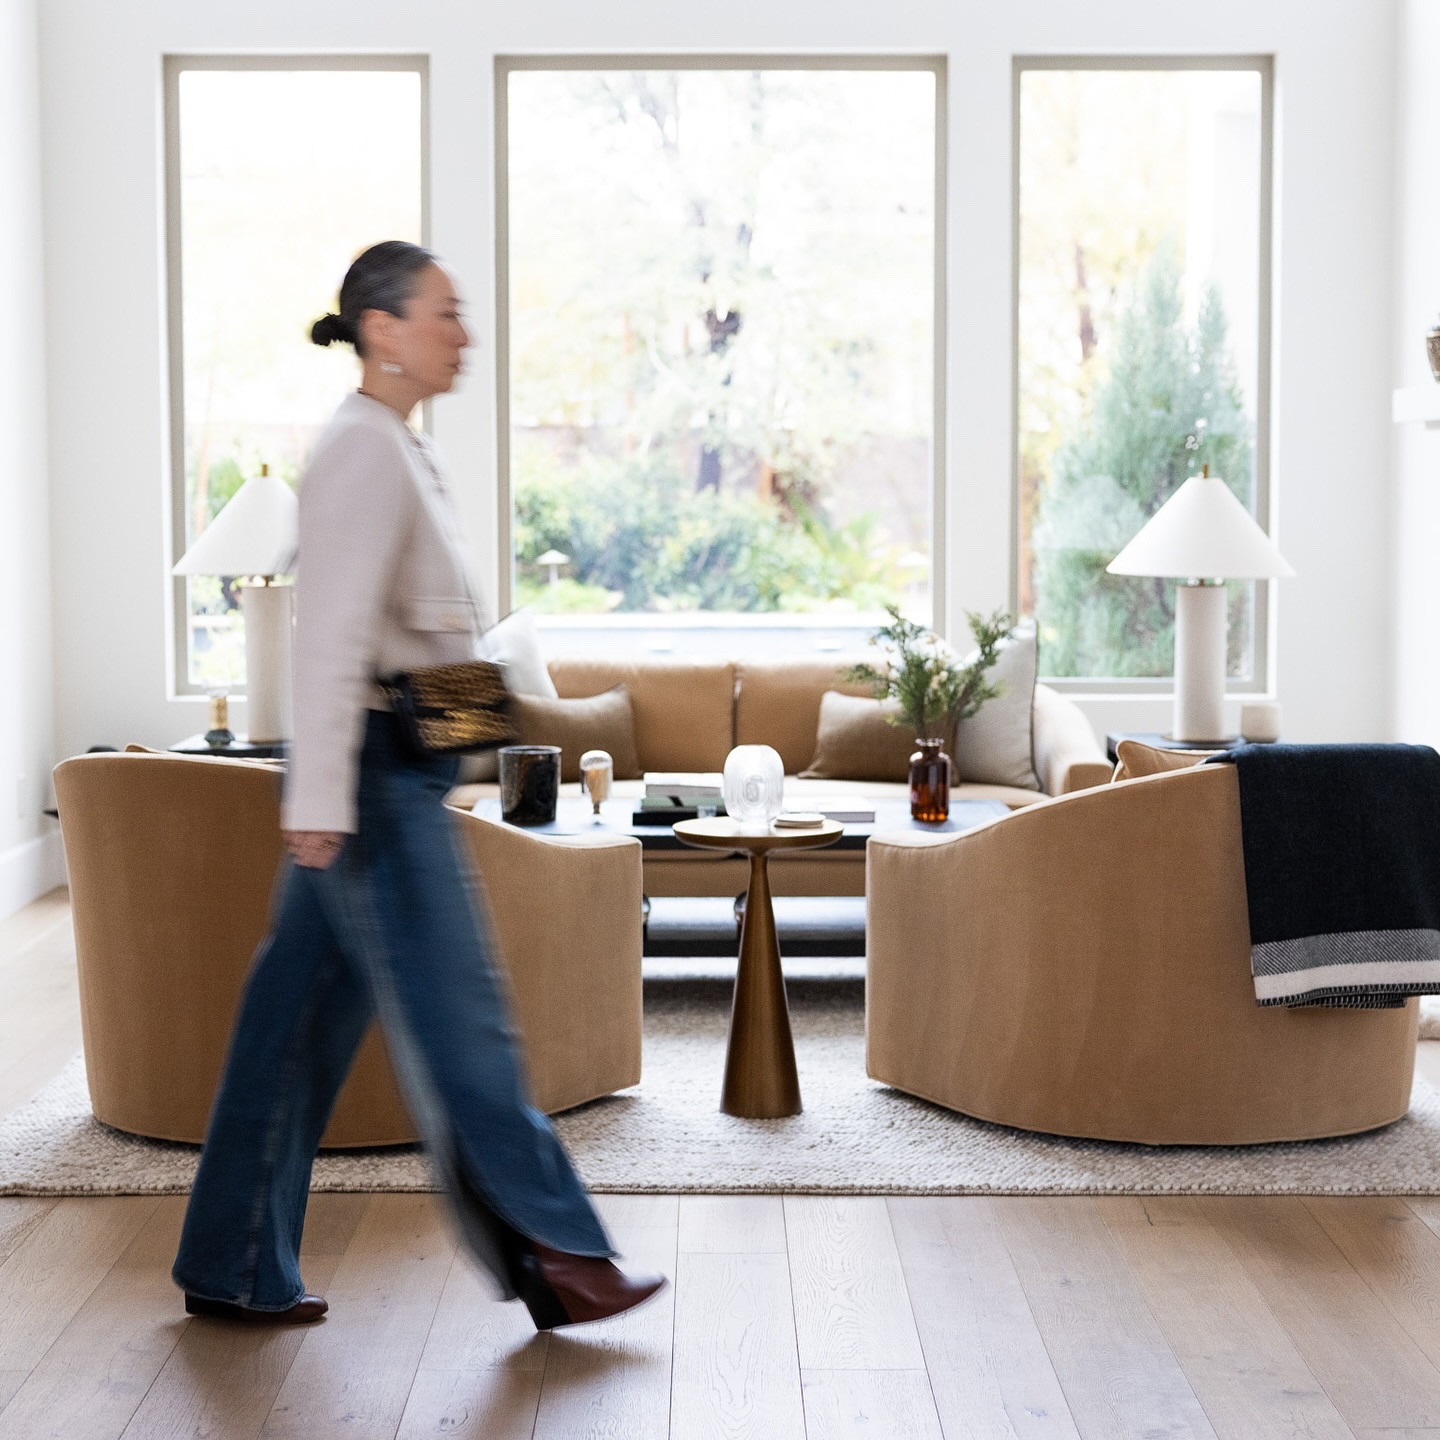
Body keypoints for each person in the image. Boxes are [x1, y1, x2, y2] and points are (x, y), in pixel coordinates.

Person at [172, 240, 665, 1330]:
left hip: (396, 768)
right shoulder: (360, 448)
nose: (464, 335)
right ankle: (558, 1250)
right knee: (461, 1017)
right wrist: (316, 801)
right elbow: (331, 632)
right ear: (382, 329)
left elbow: (436, 631)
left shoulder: (396, 444)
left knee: (289, 1030)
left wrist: (462, 745)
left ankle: (231, 1261)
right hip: (369, 782)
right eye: (445, 314)